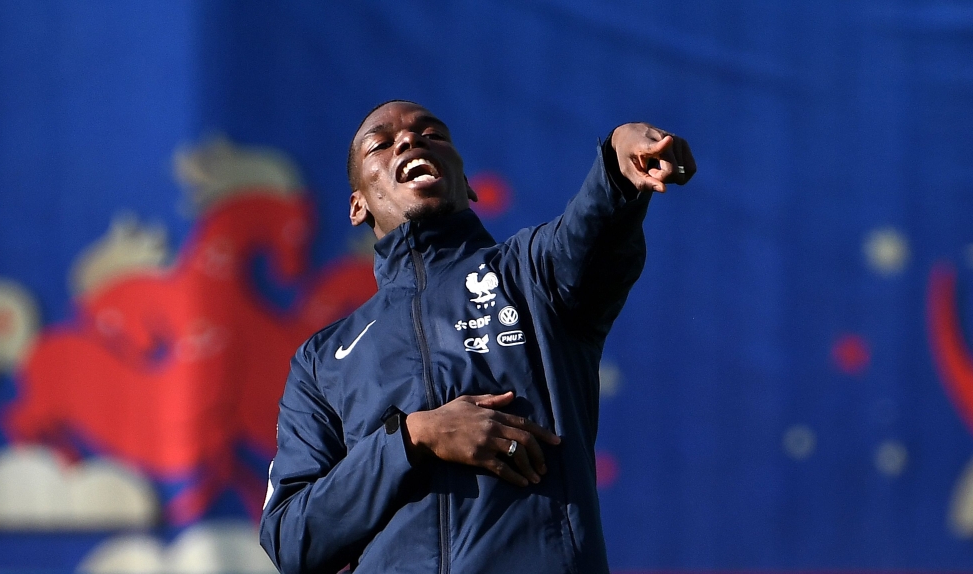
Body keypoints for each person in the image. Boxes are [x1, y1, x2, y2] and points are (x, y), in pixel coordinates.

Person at [259, 100, 695, 573]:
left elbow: (592, 231)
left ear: (466, 184)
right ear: (357, 204)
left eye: (433, 135)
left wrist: (616, 160)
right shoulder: (323, 361)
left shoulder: (530, 273)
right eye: (381, 144)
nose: (409, 140)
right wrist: (413, 438)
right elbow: (291, 539)